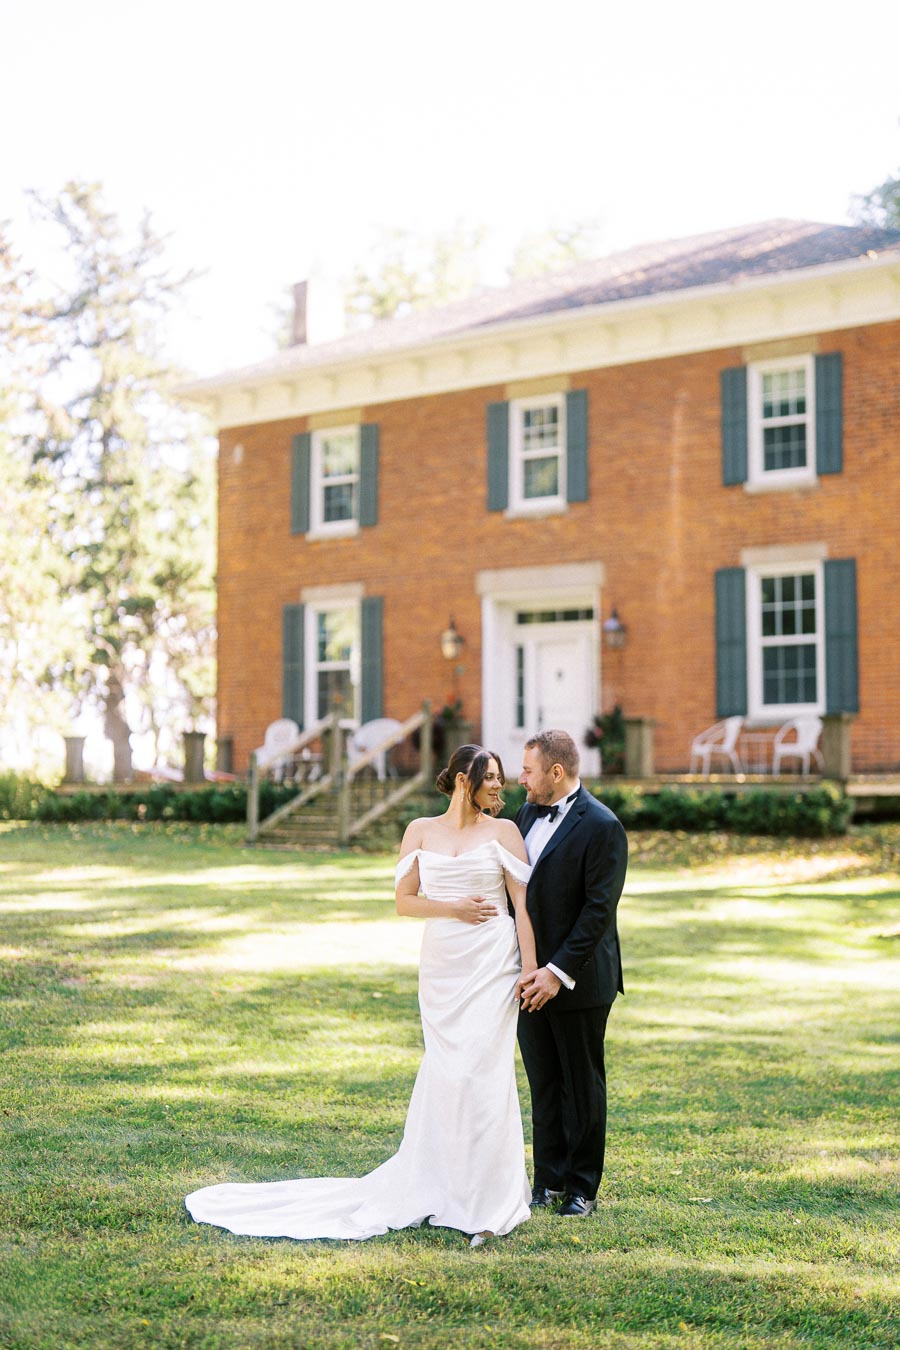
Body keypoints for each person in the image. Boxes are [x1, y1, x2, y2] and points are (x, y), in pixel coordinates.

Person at [185, 744, 537, 1246]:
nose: (501, 786)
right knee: (447, 1071)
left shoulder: (505, 832)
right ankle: (441, 1182)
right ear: (464, 779)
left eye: (502, 777)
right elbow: (404, 902)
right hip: (444, 964)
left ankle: (490, 1201)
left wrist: (530, 968)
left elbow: (521, 905)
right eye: (492, 777)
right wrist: (453, 908)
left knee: (483, 1070)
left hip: (491, 962)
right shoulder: (420, 831)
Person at [515, 728, 627, 1218]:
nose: (521, 779)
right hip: (527, 976)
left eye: (527, 770)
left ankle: (583, 1187)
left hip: (579, 980)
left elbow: (597, 913)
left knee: (581, 1085)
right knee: (543, 1082)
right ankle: (549, 1180)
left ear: (555, 773)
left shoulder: (603, 826)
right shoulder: (523, 816)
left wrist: (556, 973)